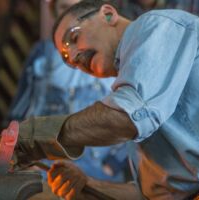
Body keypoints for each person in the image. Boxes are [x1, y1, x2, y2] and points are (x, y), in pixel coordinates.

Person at [13, 0, 199, 199]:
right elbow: (147, 195)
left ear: (108, 14)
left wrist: (38, 134)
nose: (75, 57)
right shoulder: (134, 88)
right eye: (67, 60)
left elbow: (125, 119)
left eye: (74, 38)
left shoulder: (158, 26)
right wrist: (88, 185)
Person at [7, 0, 130, 182]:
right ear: (54, 11)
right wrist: (19, 150)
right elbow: (21, 107)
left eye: (76, 6)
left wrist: (112, 164)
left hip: (99, 169)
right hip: (47, 165)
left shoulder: (122, 57)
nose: (74, 56)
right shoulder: (43, 53)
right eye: (64, 7)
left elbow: (135, 116)